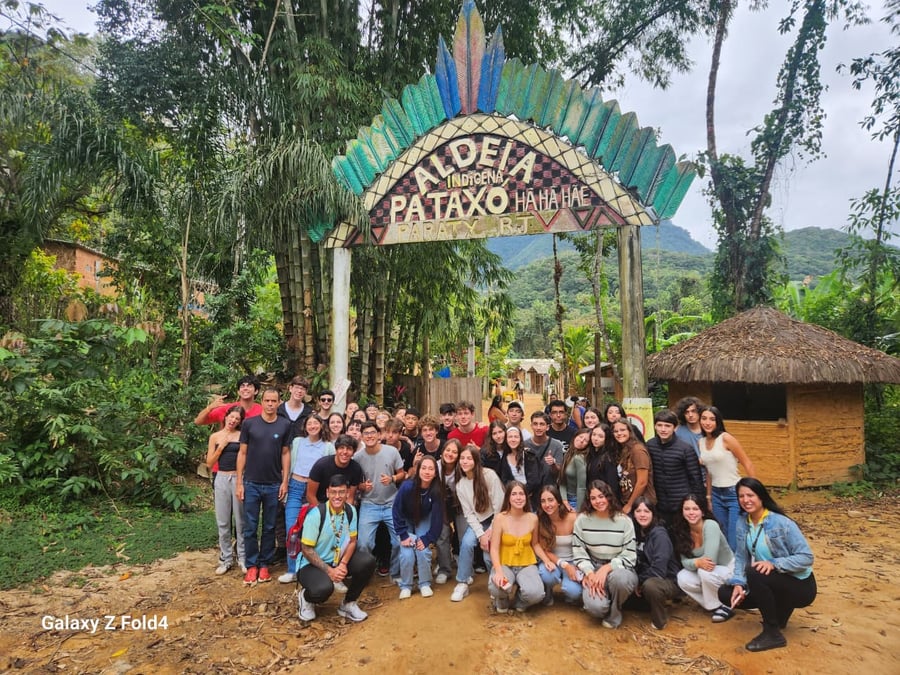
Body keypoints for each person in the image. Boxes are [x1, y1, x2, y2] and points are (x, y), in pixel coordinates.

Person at [717, 478, 816, 652]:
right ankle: (780, 612)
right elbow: (741, 556)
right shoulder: (742, 522)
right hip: (776, 582)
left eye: (750, 495)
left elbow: (807, 557)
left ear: (761, 496)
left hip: (800, 586)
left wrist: (774, 563)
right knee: (725, 593)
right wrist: (739, 583)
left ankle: (772, 633)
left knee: (755, 573)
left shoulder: (781, 523)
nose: (746, 500)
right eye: (741, 496)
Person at [297, 474, 375, 623]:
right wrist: (330, 571)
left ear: (347, 493)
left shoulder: (351, 511)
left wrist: (344, 563)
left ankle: (348, 603)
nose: (337, 496)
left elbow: (353, 541)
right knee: (323, 589)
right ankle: (306, 598)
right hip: (311, 564)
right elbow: (306, 549)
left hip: (337, 559)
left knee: (367, 561)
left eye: (341, 492)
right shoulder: (316, 515)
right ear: (327, 493)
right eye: (333, 492)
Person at [236, 387, 291, 586]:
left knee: (269, 526)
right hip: (251, 483)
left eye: (273, 401)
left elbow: (285, 454)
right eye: (267, 400)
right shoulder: (250, 424)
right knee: (250, 526)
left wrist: (284, 481)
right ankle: (251, 565)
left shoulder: (284, 425)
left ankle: (264, 564)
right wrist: (239, 482)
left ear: (278, 402)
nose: (270, 404)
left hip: (273, 483)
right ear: (262, 401)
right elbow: (242, 453)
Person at [573, 480, 638, 628]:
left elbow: (630, 555)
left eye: (601, 496)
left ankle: (615, 613)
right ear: (589, 501)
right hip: (594, 565)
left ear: (608, 496)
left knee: (620, 580)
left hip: (619, 568)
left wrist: (607, 568)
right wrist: (590, 573)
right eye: (593, 498)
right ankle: (605, 601)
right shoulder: (582, 520)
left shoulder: (624, 521)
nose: (598, 501)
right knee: (595, 608)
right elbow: (579, 550)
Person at [279, 414, 334, 583]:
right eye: (309, 423)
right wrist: (285, 483)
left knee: (316, 530)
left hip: (315, 491)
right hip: (295, 487)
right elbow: (287, 461)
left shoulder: (328, 447)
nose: (312, 426)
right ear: (305, 426)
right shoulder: (297, 442)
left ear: (321, 426)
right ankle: (292, 569)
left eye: (315, 423)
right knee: (292, 529)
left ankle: (315, 569)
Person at [353, 420, 405, 582]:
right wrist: (363, 486)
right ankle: (365, 573)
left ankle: (395, 573)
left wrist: (393, 478)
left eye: (372, 433)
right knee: (364, 543)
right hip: (369, 504)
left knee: (399, 541)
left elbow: (402, 473)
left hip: (392, 502)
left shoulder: (391, 452)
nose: (369, 436)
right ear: (361, 437)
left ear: (379, 435)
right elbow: (355, 484)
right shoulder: (357, 457)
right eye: (366, 434)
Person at [450, 446, 505, 602]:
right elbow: (469, 514)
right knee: (467, 543)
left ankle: (495, 583)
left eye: (469, 458)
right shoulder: (461, 485)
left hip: (497, 518)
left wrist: (490, 532)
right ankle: (462, 582)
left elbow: (499, 507)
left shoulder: (489, 475)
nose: (465, 461)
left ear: (476, 460)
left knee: (488, 552)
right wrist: (481, 534)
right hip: (479, 521)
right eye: (462, 458)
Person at [699, 406, 756, 550]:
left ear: (718, 421)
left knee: (734, 536)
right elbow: (709, 471)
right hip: (716, 494)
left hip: (734, 492)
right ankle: (728, 570)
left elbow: (747, 463)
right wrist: (709, 497)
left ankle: (740, 569)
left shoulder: (725, 438)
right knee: (722, 534)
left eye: (712, 419)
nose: (707, 422)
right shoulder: (701, 442)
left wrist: (754, 491)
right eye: (704, 418)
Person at [488, 481, 549, 612]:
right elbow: (493, 548)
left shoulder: (533, 518)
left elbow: (536, 544)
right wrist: (498, 572)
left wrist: (547, 560)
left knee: (536, 594)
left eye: (521, 494)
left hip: (526, 564)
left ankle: (520, 601)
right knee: (496, 587)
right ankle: (502, 599)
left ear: (526, 497)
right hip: (505, 563)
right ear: (508, 498)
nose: (518, 497)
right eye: (514, 494)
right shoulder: (500, 518)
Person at [674, 493, 734, 618]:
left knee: (704, 572)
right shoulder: (681, 529)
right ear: (682, 511)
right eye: (687, 509)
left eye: (695, 509)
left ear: (702, 511)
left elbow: (710, 561)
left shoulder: (710, 525)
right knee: (682, 577)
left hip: (727, 569)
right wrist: (696, 563)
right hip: (707, 572)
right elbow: (684, 562)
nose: (691, 512)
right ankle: (715, 605)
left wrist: (695, 563)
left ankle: (724, 604)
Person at [392, 455, 444, 599]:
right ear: (418, 469)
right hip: (405, 520)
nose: (427, 472)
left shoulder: (436, 490)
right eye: (424, 468)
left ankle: (424, 583)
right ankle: (406, 585)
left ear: (435, 473)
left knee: (423, 549)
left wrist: (428, 538)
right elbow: (396, 510)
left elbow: (438, 518)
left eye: (431, 469)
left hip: (424, 517)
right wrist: (403, 534)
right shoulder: (407, 486)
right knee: (407, 553)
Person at [628, 497, 681, 630]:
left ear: (653, 513)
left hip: (666, 579)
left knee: (651, 586)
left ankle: (659, 621)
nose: (642, 515)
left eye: (646, 511)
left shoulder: (659, 535)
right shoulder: (635, 531)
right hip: (644, 576)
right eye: (638, 511)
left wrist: (638, 582)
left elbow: (659, 570)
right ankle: (647, 604)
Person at [646, 409, 704, 527]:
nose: (663, 429)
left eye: (667, 426)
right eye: (660, 425)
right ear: (655, 426)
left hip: (681, 504)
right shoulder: (650, 445)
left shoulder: (685, 449)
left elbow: (696, 479)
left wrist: (697, 504)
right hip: (660, 504)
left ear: (675, 427)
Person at [206, 405, 246, 575]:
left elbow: (245, 457)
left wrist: (241, 481)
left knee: (241, 521)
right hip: (221, 478)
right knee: (223, 521)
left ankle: (243, 557)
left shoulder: (242, 436)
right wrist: (221, 447)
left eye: (237, 419)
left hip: (238, 478)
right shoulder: (215, 436)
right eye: (232, 417)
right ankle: (226, 558)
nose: (233, 421)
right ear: (226, 416)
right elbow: (209, 463)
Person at [536, 485, 582, 605]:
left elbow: (583, 545)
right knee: (547, 575)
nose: (547, 504)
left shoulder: (573, 518)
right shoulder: (541, 521)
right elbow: (544, 550)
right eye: (543, 501)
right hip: (553, 561)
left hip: (573, 561)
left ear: (559, 501)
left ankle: (569, 591)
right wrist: (564, 564)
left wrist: (579, 564)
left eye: (551, 500)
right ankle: (548, 590)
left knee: (574, 592)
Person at [611, 418, 655, 514]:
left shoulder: (638, 451)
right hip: (626, 499)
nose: (619, 433)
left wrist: (629, 505)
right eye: (615, 431)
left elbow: (642, 482)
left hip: (641, 504)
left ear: (630, 431)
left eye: (622, 430)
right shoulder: (623, 449)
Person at [307, 435, 364, 506]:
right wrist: (322, 514)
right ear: (336, 450)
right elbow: (310, 495)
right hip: (320, 504)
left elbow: (350, 498)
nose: (345, 452)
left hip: (341, 506)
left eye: (349, 449)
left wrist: (345, 515)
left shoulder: (356, 468)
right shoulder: (321, 465)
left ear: (353, 452)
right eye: (341, 448)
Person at [434, 438, 461, 585]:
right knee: (442, 534)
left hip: (460, 505)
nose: (450, 454)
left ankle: (465, 569)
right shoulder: (436, 467)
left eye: (454, 452)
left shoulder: (462, 467)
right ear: (443, 451)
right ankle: (444, 568)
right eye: (448, 450)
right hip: (440, 504)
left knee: (464, 535)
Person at [498, 426, 542, 508]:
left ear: (520, 438)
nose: (513, 439)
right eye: (510, 437)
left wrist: (523, 493)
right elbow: (505, 479)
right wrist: (514, 493)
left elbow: (535, 479)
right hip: (513, 497)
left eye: (516, 436)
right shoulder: (505, 457)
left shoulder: (529, 455)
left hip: (531, 497)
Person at [525, 411, 565, 488]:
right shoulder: (524, 445)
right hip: (530, 491)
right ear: (531, 426)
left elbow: (559, 473)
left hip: (550, 490)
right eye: (535, 424)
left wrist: (553, 464)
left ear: (547, 427)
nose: (538, 428)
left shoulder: (557, 445)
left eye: (542, 424)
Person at [586, 424, 621, 501]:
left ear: (606, 439)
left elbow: (613, 486)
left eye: (600, 436)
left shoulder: (608, 458)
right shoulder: (592, 454)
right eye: (594, 435)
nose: (595, 438)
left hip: (605, 500)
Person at [560, 428, 590, 510]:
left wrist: (579, 510)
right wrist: (564, 500)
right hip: (565, 497)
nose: (581, 441)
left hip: (576, 500)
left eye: (586, 441)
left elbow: (581, 487)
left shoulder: (579, 458)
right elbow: (562, 479)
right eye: (580, 437)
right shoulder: (569, 453)